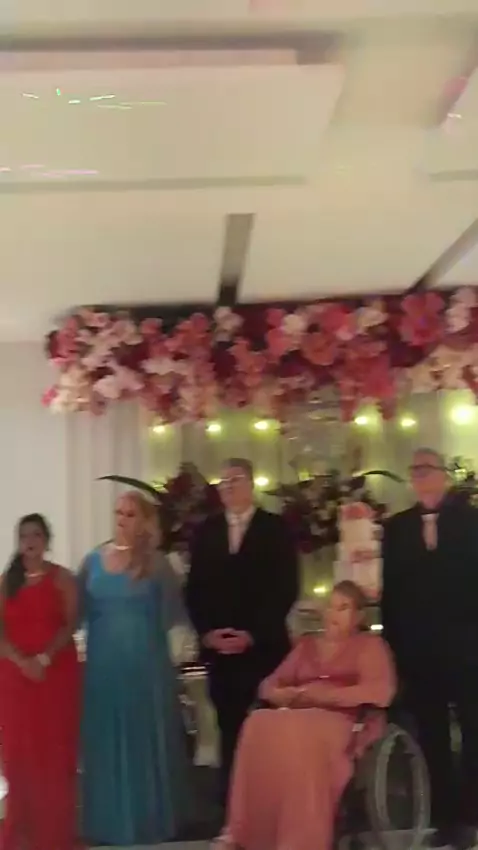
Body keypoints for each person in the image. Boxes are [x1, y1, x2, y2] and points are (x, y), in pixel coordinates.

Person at [216, 580, 395, 850]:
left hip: (345, 719)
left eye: (343, 608)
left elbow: (380, 691)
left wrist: (323, 696)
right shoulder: (307, 646)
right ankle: (243, 831)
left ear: (359, 616)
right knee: (257, 722)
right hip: (298, 712)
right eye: (330, 607)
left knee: (303, 731)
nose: (333, 614)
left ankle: (300, 839)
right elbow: (268, 685)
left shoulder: (370, 646)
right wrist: (280, 694)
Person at [80, 490, 192, 847]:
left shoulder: (157, 565)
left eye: (130, 514)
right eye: (118, 512)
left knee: (144, 739)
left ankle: (149, 820)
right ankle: (108, 823)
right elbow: (74, 613)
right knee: (106, 740)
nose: (122, 519)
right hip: (103, 667)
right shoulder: (93, 561)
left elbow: (174, 619)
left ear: (143, 521)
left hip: (145, 667)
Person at [185, 457, 299, 801]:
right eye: (223, 482)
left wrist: (253, 634)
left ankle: (271, 799)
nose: (228, 487)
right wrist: (207, 633)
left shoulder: (275, 528)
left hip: (263, 648)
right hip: (220, 650)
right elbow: (195, 588)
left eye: (235, 480)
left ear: (251, 484)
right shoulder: (207, 530)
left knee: (268, 724)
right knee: (228, 725)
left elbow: (285, 587)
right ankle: (233, 803)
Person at [381, 447, 478, 849]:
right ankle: (444, 817)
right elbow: (392, 594)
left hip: (468, 647)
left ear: (444, 476)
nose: (419, 476)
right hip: (419, 651)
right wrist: (394, 649)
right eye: (414, 470)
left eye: (426, 469)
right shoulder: (397, 527)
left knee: (474, 730)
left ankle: (472, 813)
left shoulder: (471, 521)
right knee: (431, 735)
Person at [0, 513, 80, 850]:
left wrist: (43, 659)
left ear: (46, 540)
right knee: (19, 754)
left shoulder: (62, 578)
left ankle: (54, 831)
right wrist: (22, 662)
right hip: (15, 678)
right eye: (24, 536)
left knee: (53, 753)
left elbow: (70, 624)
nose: (30, 541)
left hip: (54, 675)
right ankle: (22, 829)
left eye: (36, 535)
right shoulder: (6, 582)